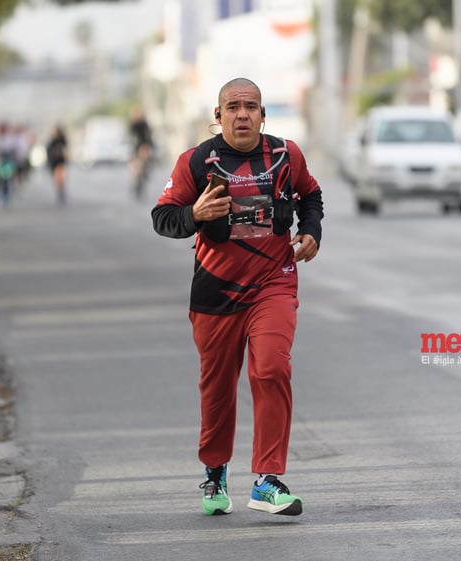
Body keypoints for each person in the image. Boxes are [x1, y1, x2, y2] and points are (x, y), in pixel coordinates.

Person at [151, 77, 324, 517]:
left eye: (251, 106)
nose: (242, 114)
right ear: (218, 116)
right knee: (218, 389)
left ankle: (267, 481)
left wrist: (311, 232)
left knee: (271, 368)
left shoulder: (286, 155)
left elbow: (311, 194)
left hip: (274, 283)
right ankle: (214, 472)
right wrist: (194, 213)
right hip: (216, 293)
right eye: (233, 107)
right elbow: (162, 216)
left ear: (263, 115)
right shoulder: (196, 163)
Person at [128, 107, 154, 199]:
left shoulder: (144, 124)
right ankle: (135, 182)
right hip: (136, 148)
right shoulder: (133, 125)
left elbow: (149, 136)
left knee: (147, 162)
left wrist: (148, 146)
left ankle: (145, 172)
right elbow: (132, 137)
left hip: (144, 146)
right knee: (135, 168)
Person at [46, 126, 69, 205]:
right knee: (57, 180)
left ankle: (62, 193)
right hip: (54, 163)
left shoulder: (63, 140)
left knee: (62, 179)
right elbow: (49, 151)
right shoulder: (53, 141)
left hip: (61, 162)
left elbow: (66, 150)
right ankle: (59, 194)